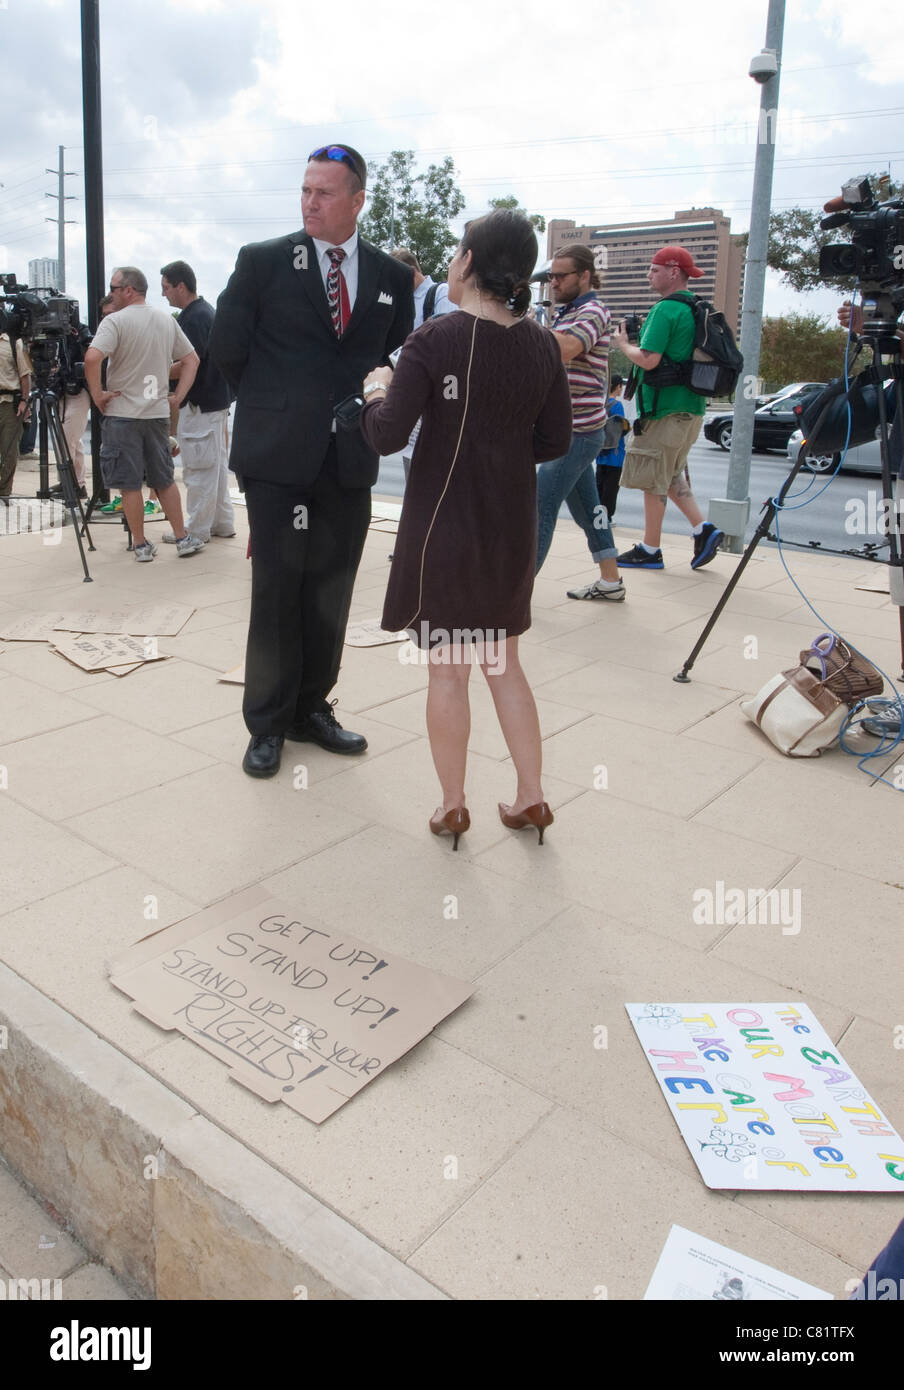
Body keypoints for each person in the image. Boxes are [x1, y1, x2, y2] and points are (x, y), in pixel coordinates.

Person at [360, 209, 572, 849]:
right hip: (509, 524)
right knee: (504, 663)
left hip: (444, 527)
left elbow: (388, 435)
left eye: (457, 252)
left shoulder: (434, 340)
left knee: (448, 670)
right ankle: (531, 797)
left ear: (470, 262)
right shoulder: (541, 343)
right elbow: (555, 438)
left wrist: (376, 391)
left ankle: (453, 806)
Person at [210, 143, 414, 778]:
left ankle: (311, 709)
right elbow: (227, 349)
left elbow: (393, 353)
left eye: (324, 193)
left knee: (331, 589)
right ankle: (266, 724)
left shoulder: (389, 276)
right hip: (276, 461)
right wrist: (279, 409)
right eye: (305, 190)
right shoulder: (264, 262)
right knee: (276, 591)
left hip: (347, 458)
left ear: (357, 201)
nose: (310, 202)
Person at [610, 245, 723, 571]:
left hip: (664, 410)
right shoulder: (695, 308)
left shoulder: (665, 310)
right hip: (692, 408)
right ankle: (704, 529)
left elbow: (648, 359)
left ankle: (650, 549)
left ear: (674, 272)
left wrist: (624, 345)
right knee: (670, 474)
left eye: (654, 269)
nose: (649, 274)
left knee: (651, 479)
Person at [84, 266, 204, 561]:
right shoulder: (165, 321)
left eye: (114, 288)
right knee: (163, 479)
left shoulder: (115, 322)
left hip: (123, 413)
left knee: (128, 483)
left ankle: (140, 545)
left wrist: (98, 394)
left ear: (128, 290)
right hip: (156, 413)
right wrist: (179, 396)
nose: (111, 294)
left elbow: (92, 357)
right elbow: (192, 359)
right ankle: (182, 537)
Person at [533, 245, 625, 603]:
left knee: (539, 507)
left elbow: (567, 348)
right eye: (551, 275)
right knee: (591, 511)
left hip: (578, 432)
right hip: (571, 429)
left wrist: (521, 328)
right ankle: (611, 581)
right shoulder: (567, 312)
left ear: (584, 275)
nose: (553, 282)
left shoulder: (593, 311)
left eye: (561, 275)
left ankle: (512, 593)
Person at [160, 260, 236, 544]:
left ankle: (197, 530)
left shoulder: (193, 318)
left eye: (166, 288)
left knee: (198, 470)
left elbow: (187, 362)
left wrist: (156, 371)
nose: (164, 294)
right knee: (214, 468)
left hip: (200, 403)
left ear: (181, 286)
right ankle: (221, 522)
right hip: (215, 401)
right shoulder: (205, 313)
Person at [390, 247, 457, 486]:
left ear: (409, 271)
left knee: (434, 481)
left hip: (440, 404)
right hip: (416, 404)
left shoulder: (442, 293)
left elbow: (450, 346)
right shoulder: (402, 301)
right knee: (415, 477)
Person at [0, 330, 32, 499]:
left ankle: (4, 492)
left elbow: (25, 374)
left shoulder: (14, 343)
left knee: (9, 450)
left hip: (8, 402)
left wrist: (24, 401)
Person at [595, 373, 627, 525]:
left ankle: (597, 516)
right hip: (615, 454)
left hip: (601, 453)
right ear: (618, 386)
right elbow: (621, 427)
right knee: (611, 489)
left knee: (599, 486)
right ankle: (606, 518)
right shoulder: (617, 405)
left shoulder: (601, 403)